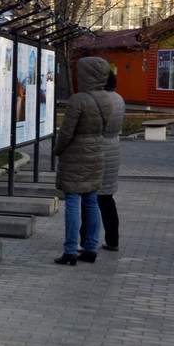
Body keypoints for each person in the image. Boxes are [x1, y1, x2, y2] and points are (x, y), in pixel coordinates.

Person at [53, 56, 113, 265]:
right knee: (91, 201)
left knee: (72, 201)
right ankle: (91, 247)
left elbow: (67, 132)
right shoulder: (106, 98)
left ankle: (70, 250)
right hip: (96, 153)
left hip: (75, 155)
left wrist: (57, 150)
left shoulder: (78, 100)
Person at [83, 71, 125, 252]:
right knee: (107, 198)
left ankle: (85, 239)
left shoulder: (99, 100)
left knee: (88, 198)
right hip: (114, 148)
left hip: (98, 148)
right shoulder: (119, 99)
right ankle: (113, 239)